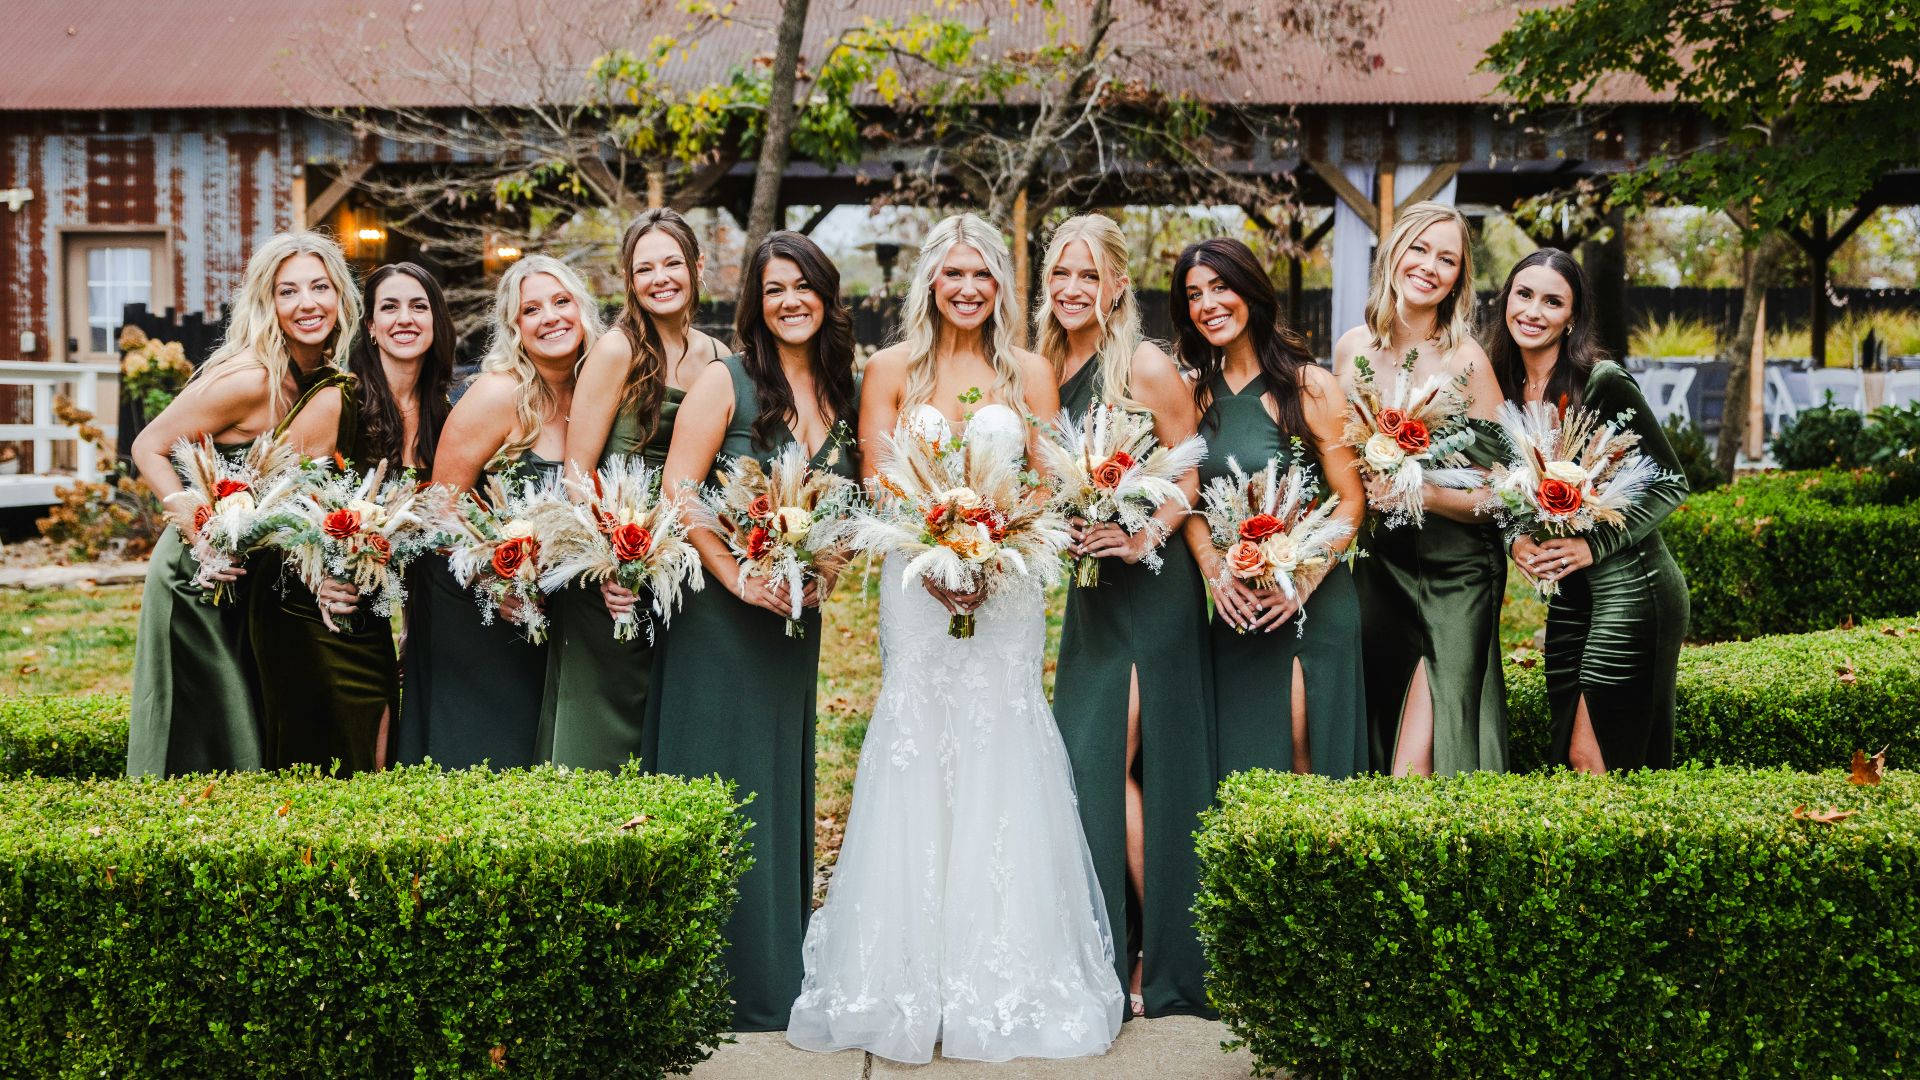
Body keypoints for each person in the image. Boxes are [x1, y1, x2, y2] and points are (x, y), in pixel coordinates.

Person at [788, 213, 1124, 1063]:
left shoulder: (1031, 371)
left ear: (1001, 287)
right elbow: (875, 474)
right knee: (917, 739)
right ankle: (905, 975)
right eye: (953, 275)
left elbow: (1048, 481)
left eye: (982, 275)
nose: (967, 289)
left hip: (1005, 596)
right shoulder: (892, 369)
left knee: (1001, 740)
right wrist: (931, 552)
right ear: (929, 284)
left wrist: (997, 552)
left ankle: (1004, 972)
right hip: (918, 589)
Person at [639, 231, 859, 1032]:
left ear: (827, 297)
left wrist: (821, 572)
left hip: (792, 625)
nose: (790, 301)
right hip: (718, 618)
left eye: (803, 287)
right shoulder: (721, 381)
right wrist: (740, 578)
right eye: (773, 290)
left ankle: (771, 974)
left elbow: (853, 512)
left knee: (773, 783)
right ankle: (703, 980)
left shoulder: (850, 391)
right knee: (714, 782)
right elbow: (678, 493)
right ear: (755, 305)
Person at [1037, 214, 1214, 1018]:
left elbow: (1190, 469)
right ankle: (1106, 945)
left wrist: (1142, 532)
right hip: (1091, 594)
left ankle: (1162, 956)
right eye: (1060, 274)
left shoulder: (1142, 364)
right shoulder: (1044, 363)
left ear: (1117, 285)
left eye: (1088, 275)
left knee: (1120, 761)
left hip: (1151, 589)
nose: (1073, 289)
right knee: (1086, 763)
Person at [125, 231, 358, 777]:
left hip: (257, 580)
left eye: (320, 287)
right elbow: (148, 446)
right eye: (288, 291)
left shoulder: (327, 379)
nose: (307, 304)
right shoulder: (250, 378)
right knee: (204, 728)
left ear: (340, 297)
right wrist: (200, 530)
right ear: (267, 303)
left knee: (252, 725)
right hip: (200, 575)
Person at [393, 255, 599, 768]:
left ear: (582, 309)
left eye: (561, 302)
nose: (550, 317)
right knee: (491, 759)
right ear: (515, 328)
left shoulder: (597, 392)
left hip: (561, 615)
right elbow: (440, 508)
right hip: (481, 611)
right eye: (532, 309)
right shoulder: (497, 394)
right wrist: (496, 582)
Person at [1487, 249, 1689, 771]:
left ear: (1571, 317)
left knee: (1593, 756)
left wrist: (1590, 544)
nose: (1533, 311)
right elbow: (1494, 485)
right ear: (1507, 298)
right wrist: (1515, 539)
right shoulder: (1498, 388)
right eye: (1524, 294)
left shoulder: (1602, 382)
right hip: (1572, 598)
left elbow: (1669, 481)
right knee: (1568, 753)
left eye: (1552, 301)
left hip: (1633, 588)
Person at [1175, 238, 1368, 780]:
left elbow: (1351, 500)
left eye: (1220, 287)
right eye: (1193, 295)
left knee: (1308, 770)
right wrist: (1216, 573)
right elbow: (1185, 501)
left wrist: (1303, 581)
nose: (1207, 304)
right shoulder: (1190, 397)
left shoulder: (1311, 387)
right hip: (1237, 610)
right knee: (1243, 776)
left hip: (1312, 606)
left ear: (1251, 292)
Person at [540, 209, 727, 770]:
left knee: (664, 727)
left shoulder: (719, 357)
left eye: (673, 263)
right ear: (629, 279)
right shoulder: (617, 351)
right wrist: (611, 564)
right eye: (645, 268)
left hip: (683, 572)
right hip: (612, 574)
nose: (660, 278)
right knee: (602, 733)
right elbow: (578, 473)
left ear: (697, 268)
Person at [1333, 201, 1511, 777]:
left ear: (1459, 278)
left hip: (1456, 570)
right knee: (1382, 719)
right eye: (1420, 250)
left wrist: (1427, 495)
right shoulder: (1352, 348)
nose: (1430, 267)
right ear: (1393, 254)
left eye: (1448, 259)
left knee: (1424, 750)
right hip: (1379, 568)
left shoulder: (1467, 360)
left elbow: (1507, 492)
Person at [345, 262, 456, 768]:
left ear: (436, 321)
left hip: (419, 606)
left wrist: (412, 627)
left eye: (418, 305)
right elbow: (298, 507)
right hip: (339, 604)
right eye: (389, 307)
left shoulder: (447, 415)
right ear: (370, 325)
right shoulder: (342, 403)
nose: (404, 318)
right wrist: (320, 576)